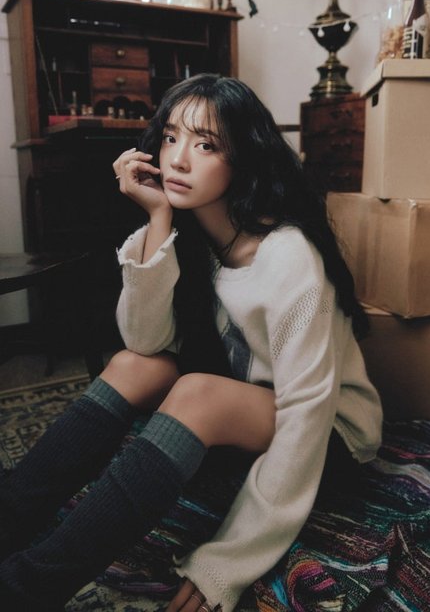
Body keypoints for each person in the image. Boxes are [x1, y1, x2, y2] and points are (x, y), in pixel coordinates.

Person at [0, 74, 383, 612]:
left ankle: (27, 588)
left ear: (243, 158)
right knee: (134, 364)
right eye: (171, 137)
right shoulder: (196, 237)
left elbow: (306, 417)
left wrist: (229, 560)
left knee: (197, 392)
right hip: (249, 408)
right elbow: (144, 340)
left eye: (206, 145)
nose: (179, 159)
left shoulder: (289, 256)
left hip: (330, 434)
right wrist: (158, 217)